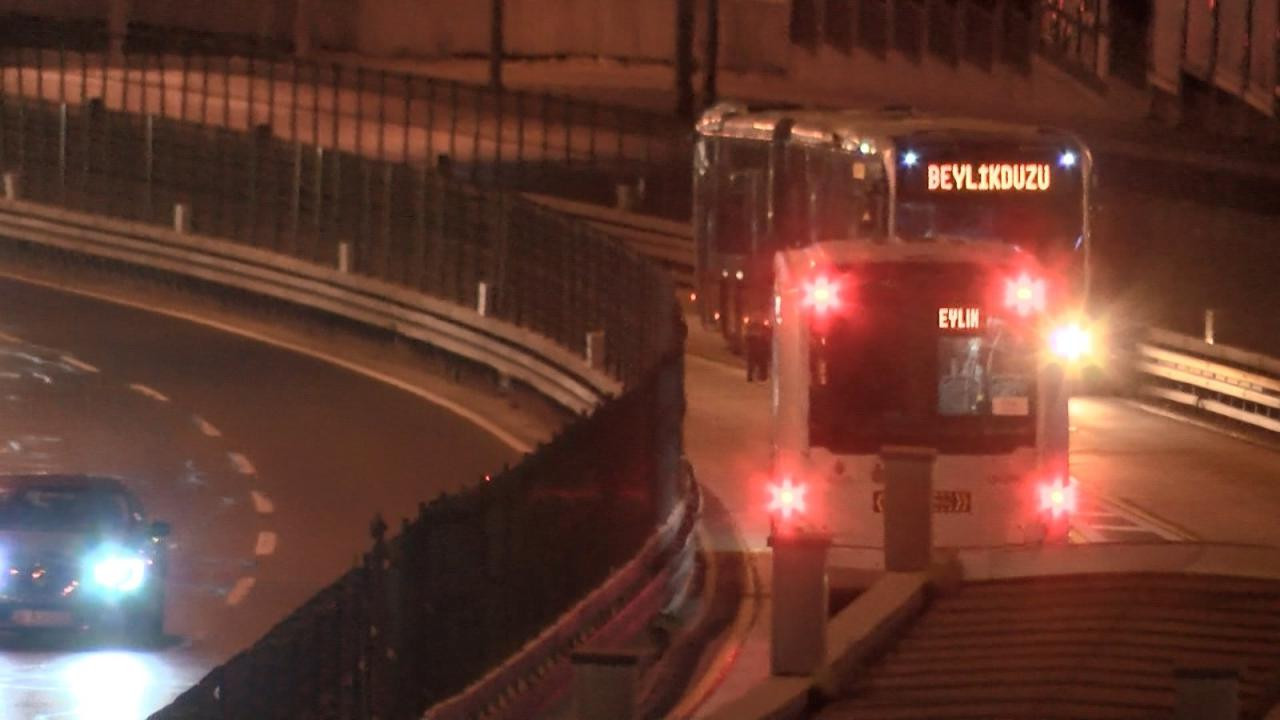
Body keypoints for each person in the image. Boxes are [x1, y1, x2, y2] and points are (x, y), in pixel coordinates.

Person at [745, 317, 772, 382]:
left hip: (755, 349)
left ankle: (752, 376)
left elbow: (747, 338)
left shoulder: (752, 329)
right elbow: (767, 340)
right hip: (759, 349)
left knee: (753, 363)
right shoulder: (763, 329)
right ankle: (761, 377)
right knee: (761, 363)